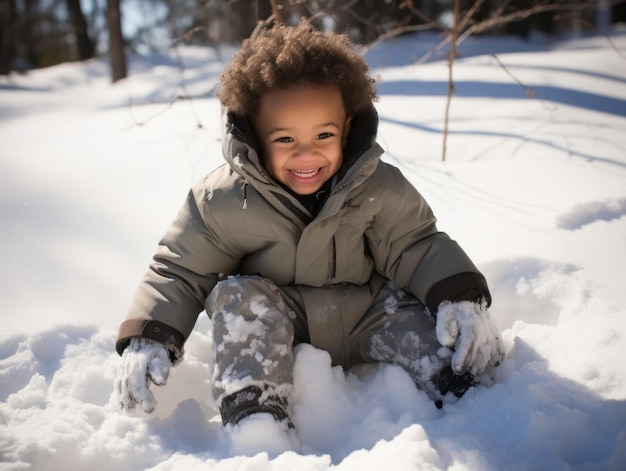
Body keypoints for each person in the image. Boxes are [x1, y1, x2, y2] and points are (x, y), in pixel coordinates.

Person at [114, 19, 504, 440]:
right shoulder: (225, 200)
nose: (306, 153)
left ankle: (469, 389)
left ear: (348, 129)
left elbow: (416, 243)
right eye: (284, 139)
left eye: (324, 134)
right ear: (254, 136)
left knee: (448, 345)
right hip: (283, 319)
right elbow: (180, 271)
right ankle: (255, 411)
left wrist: (459, 296)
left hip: (370, 313)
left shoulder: (377, 186)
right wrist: (150, 335)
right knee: (237, 298)